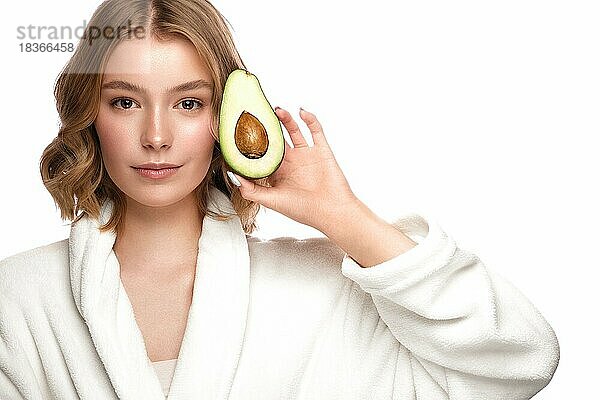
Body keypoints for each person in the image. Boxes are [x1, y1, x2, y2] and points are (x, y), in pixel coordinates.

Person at [0, 0, 559, 399]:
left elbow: (514, 364)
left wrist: (342, 216)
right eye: (124, 102)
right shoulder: (21, 299)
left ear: (223, 117)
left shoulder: (320, 292)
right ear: (89, 114)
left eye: (188, 104)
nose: (156, 135)